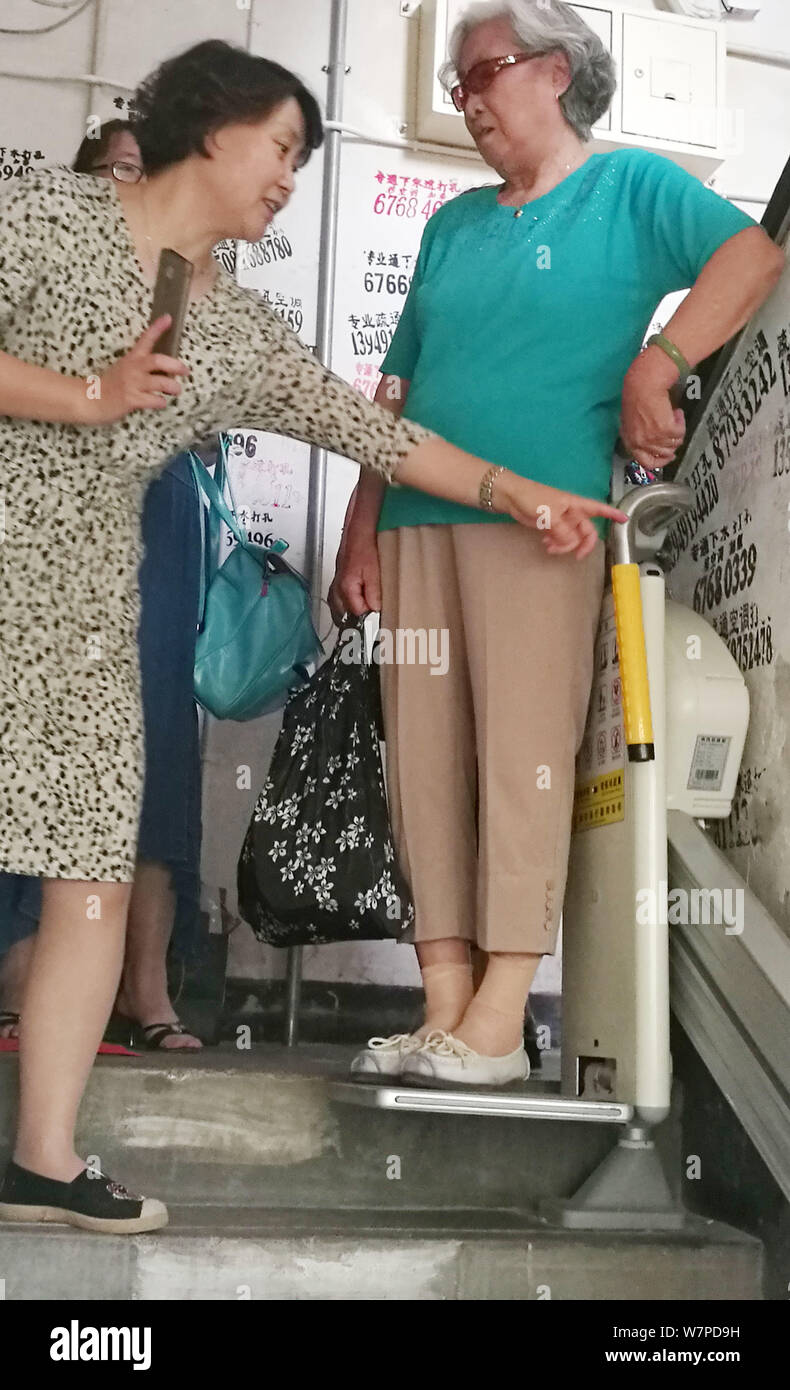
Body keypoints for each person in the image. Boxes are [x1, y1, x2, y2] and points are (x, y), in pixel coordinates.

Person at [0, 38, 623, 1236]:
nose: (289, 177)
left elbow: (371, 431)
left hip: (86, 609)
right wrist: (85, 395)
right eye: (283, 148)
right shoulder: (44, 214)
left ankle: (39, 1157)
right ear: (214, 125)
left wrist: (513, 493)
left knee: (88, 864)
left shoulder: (231, 327)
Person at [333, 0, 785, 1088]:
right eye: (456, 86)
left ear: (552, 69)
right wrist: (359, 523)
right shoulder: (451, 224)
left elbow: (751, 256)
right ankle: (446, 1007)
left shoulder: (629, 186)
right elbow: (390, 397)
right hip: (413, 517)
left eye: (480, 73)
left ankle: (500, 1012)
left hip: (546, 526)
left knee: (521, 761)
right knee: (425, 769)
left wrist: (657, 360)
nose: (469, 99)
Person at [0, 121, 204, 1053]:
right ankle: (21, 983)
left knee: (155, 737)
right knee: (35, 739)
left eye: (145, 168)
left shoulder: (200, 276)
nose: (134, 181)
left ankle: (148, 991)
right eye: (118, 168)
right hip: (45, 519)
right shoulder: (40, 256)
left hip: (157, 516)